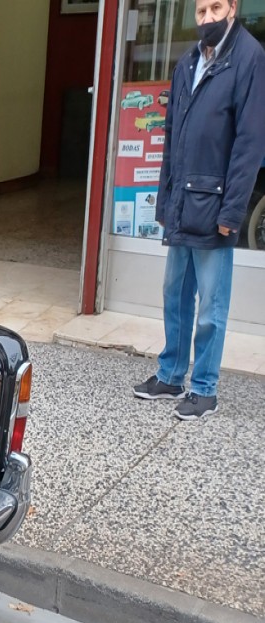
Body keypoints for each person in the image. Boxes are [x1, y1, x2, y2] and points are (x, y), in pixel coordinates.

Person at [133, 0, 265, 419]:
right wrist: (164, 199)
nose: (207, 19)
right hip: (182, 202)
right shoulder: (188, 61)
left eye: (215, 8)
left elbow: (249, 143)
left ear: (233, 8)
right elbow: (172, 136)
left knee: (210, 305)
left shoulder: (249, 58)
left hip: (215, 206)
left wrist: (232, 214)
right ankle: (171, 375)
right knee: (175, 295)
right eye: (200, 11)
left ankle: (204, 388)